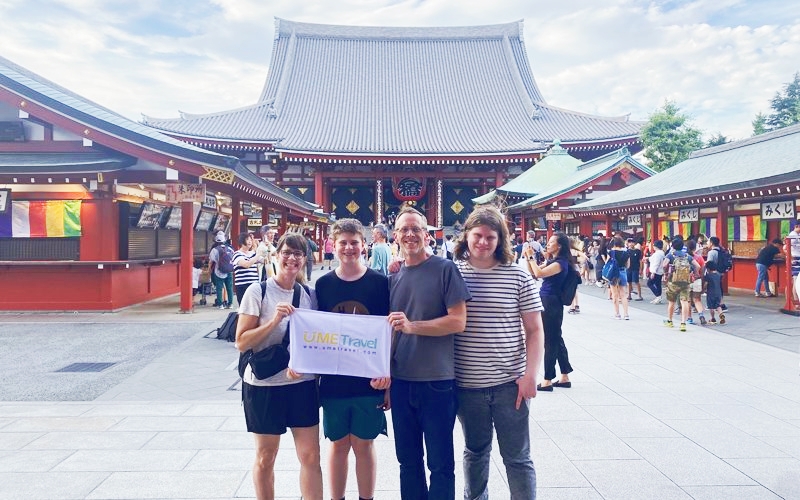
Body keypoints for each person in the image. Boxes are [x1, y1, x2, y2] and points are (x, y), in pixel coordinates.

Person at [453, 205, 544, 499]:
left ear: (500, 240)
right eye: (477, 235)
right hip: (467, 385)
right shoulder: (452, 274)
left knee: (517, 457)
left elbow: (534, 330)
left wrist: (531, 376)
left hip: (510, 384)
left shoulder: (518, 277)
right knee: (475, 452)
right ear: (466, 236)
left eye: (490, 237)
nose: (482, 242)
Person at [387, 206, 471, 499]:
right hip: (400, 380)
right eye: (404, 230)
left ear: (427, 234)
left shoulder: (445, 269)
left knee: (440, 464)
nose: (410, 234)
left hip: (437, 380)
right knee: (407, 462)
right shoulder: (393, 275)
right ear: (395, 236)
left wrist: (413, 327)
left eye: (416, 229)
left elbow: (458, 320)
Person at [234, 233, 321, 500]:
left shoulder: (309, 295)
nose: (292, 259)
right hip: (264, 385)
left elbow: (317, 340)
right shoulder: (257, 292)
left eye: (298, 254)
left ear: (304, 260)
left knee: (310, 455)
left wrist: (304, 364)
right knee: (265, 456)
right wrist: (272, 322)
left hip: (301, 384)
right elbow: (241, 341)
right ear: (275, 255)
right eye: (287, 252)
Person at [309, 218, 391, 500]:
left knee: (364, 444)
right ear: (334, 244)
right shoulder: (323, 285)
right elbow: (313, 332)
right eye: (342, 242)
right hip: (333, 379)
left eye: (354, 242)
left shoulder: (381, 284)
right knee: (338, 443)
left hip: (370, 379)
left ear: (363, 245)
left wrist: (388, 378)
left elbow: (386, 333)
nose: (348, 248)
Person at [524, 232, 574, 391]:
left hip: (551, 302)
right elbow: (533, 272)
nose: (548, 244)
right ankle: (564, 376)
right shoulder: (554, 261)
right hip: (548, 301)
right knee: (556, 337)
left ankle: (547, 379)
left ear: (559, 246)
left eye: (551, 242)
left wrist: (532, 258)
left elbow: (539, 273)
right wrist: (528, 257)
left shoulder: (560, 263)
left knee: (549, 340)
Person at [664, 237, 701, 332]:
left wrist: (666, 274)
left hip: (673, 281)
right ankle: (683, 323)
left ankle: (670, 321)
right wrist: (695, 273)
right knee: (684, 301)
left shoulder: (670, 255)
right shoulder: (687, 256)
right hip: (685, 282)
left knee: (671, 302)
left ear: (673, 246)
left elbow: (664, 265)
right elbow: (698, 266)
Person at [232, 232, 264, 305]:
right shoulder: (237, 254)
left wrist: (265, 247)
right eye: (247, 240)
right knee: (245, 308)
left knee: (256, 307)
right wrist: (258, 254)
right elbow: (246, 265)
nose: (250, 242)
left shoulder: (253, 254)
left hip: (255, 285)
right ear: (242, 241)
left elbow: (265, 260)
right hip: (243, 286)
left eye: (250, 240)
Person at [209, 231, 234, 309]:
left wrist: (209, 270)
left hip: (218, 271)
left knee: (219, 288)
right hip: (229, 271)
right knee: (229, 288)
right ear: (224, 240)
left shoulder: (215, 250)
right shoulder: (229, 248)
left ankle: (220, 304)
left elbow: (211, 261)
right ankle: (230, 304)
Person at [607, 236, 630, 320]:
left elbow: (607, 263)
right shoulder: (626, 253)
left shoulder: (611, 253)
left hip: (613, 274)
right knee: (623, 295)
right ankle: (626, 314)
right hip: (623, 272)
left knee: (615, 295)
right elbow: (628, 265)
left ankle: (617, 314)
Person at [704, 260, 725, 325]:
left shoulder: (708, 275)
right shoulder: (718, 275)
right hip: (718, 293)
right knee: (718, 305)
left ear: (708, 268)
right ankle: (721, 314)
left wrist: (703, 290)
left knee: (711, 307)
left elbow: (706, 284)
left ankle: (713, 318)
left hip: (710, 293)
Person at [647, 239, 667, 303]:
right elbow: (653, 259)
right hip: (660, 271)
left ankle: (658, 296)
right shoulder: (661, 253)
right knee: (658, 284)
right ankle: (658, 297)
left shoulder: (657, 254)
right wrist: (648, 258)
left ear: (655, 246)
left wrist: (653, 272)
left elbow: (656, 263)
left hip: (656, 271)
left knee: (649, 283)